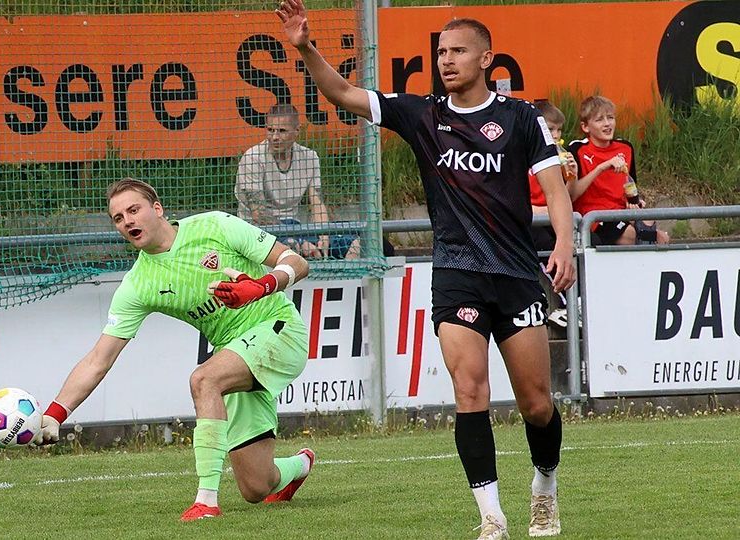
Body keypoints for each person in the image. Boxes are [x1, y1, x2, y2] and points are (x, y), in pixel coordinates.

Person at [278, 2, 576, 538]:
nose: (446, 60)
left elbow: (554, 188)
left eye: (457, 51)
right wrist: (304, 49)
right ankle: (491, 517)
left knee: (536, 404)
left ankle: (545, 489)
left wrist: (563, 243)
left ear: (486, 57)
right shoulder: (423, 114)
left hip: (514, 274)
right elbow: (345, 94)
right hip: (456, 273)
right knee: (470, 392)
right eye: (440, 52)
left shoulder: (521, 117)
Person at [34, 178, 316, 521]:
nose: (127, 221)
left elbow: (297, 263)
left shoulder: (216, 225)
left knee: (204, 379)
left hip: (279, 330)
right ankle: (300, 465)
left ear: (157, 209)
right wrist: (55, 413)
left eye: (133, 210)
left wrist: (261, 287)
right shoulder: (138, 284)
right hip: (237, 353)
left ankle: (206, 502)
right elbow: (98, 360)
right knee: (256, 487)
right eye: (119, 218)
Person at [236, 103, 360, 260]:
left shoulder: (310, 157)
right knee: (291, 246)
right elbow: (258, 213)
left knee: (355, 242)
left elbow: (317, 204)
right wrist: (300, 241)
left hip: (295, 227)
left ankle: (343, 279)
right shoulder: (252, 158)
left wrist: (323, 238)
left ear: (296, 132)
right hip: (257, 232)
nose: (274, 137)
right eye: (270, 130)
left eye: (282, 131)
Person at [567, 95, 670, 246]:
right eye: (599, 120)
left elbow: (631, 184)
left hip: (623, 212)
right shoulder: (577, 149)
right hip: (595, 216)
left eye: (610, 117)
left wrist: (634, 201)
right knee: (634, 236)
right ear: (585, 127)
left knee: (659, 234)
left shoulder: (625, 147)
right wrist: (601, 167)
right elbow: (572, 195)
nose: (607, 124)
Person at [529, 101, 578, 329]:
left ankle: (577, 303)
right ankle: (562, 305)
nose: (556, 135)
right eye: (550, 129)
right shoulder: (521, 154)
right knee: (546, 245)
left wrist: (572, 177)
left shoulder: (557, 156)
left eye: (559, 130)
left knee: (582, 243)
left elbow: (565, 198)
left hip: (552, 217)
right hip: (532, 221)